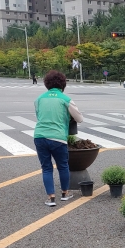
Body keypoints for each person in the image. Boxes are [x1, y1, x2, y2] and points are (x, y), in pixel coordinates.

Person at [33, 70, 83, 207]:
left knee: (46, 168)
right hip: (58, 137)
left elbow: (39, 116)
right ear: (63, 84)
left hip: (40, 136)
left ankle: (51, 198)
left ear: (46, 84)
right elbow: (80, 119)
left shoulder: (39, 99)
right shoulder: (66, 99)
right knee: (62, 166)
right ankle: (65, 194)